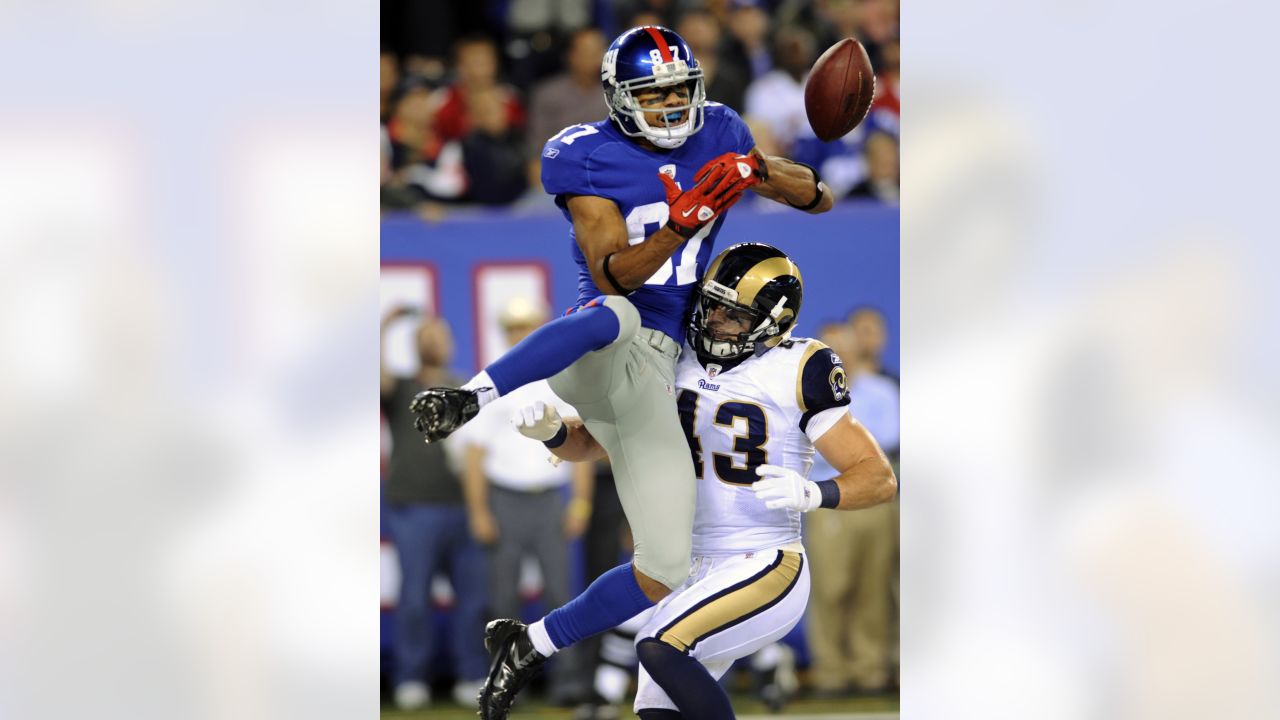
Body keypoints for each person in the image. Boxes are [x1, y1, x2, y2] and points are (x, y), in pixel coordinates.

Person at [408, 25, 834, 719]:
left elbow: (818, 197)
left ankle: (531, 643)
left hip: (659, 372)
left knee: (664, 567)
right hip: (596, 352)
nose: (671, 106)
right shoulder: (584, 156)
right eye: (654, 93)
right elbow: (614, 269)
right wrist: (682, 220)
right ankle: (470, 394)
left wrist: (756, 170)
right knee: (620, 312)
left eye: (679, 90)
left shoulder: (721, 127)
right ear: (619, 98)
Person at [513, 243, 898, 719]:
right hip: (684, 566)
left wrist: (815, 492)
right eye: (711, 305)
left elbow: (879, 478)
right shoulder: (672, 353)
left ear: (772, 322)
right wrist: (552, 433)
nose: (715, 321)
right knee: (656, 707)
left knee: (657, 643)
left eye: (733, 315)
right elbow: (594, 443)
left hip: (763, 559)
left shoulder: (799, 367)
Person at [452, 298, 595, 703]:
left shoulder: (559, 379)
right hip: (505, 500)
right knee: (502, 599)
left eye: (527, 326)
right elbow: (474, 455)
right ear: (504, 331)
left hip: (549, 497)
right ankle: (505, 685)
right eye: (513, 327)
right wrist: (479, 510)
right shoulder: (492, 381)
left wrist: (580, 501)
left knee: (561, 594)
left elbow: (580, 442)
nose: (521, 333)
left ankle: (567, 682)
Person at [379, 308, 488, 709]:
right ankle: (411, 676)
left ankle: (471, 673)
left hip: (464, 506)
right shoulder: (401, 386)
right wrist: (384, 326)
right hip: (414, 508)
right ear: (414, 344)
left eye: (438, 334)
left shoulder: (464, 387)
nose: (432, 340)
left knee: (473, 598)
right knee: (414, 597)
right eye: (424, 335)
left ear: (451, 342)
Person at [805, 310, 900, 696]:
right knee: (830, 586)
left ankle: (870, 669)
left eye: (840, 345)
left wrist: (842, 446)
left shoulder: (879, 389)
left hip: (876, 500)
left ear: (852, 347)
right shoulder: (807, 393)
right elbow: (810, 447)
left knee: (874, 587)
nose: (836, 352)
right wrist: (850, 448)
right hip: (829, 496)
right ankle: (830, 671)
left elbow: (890, 439)